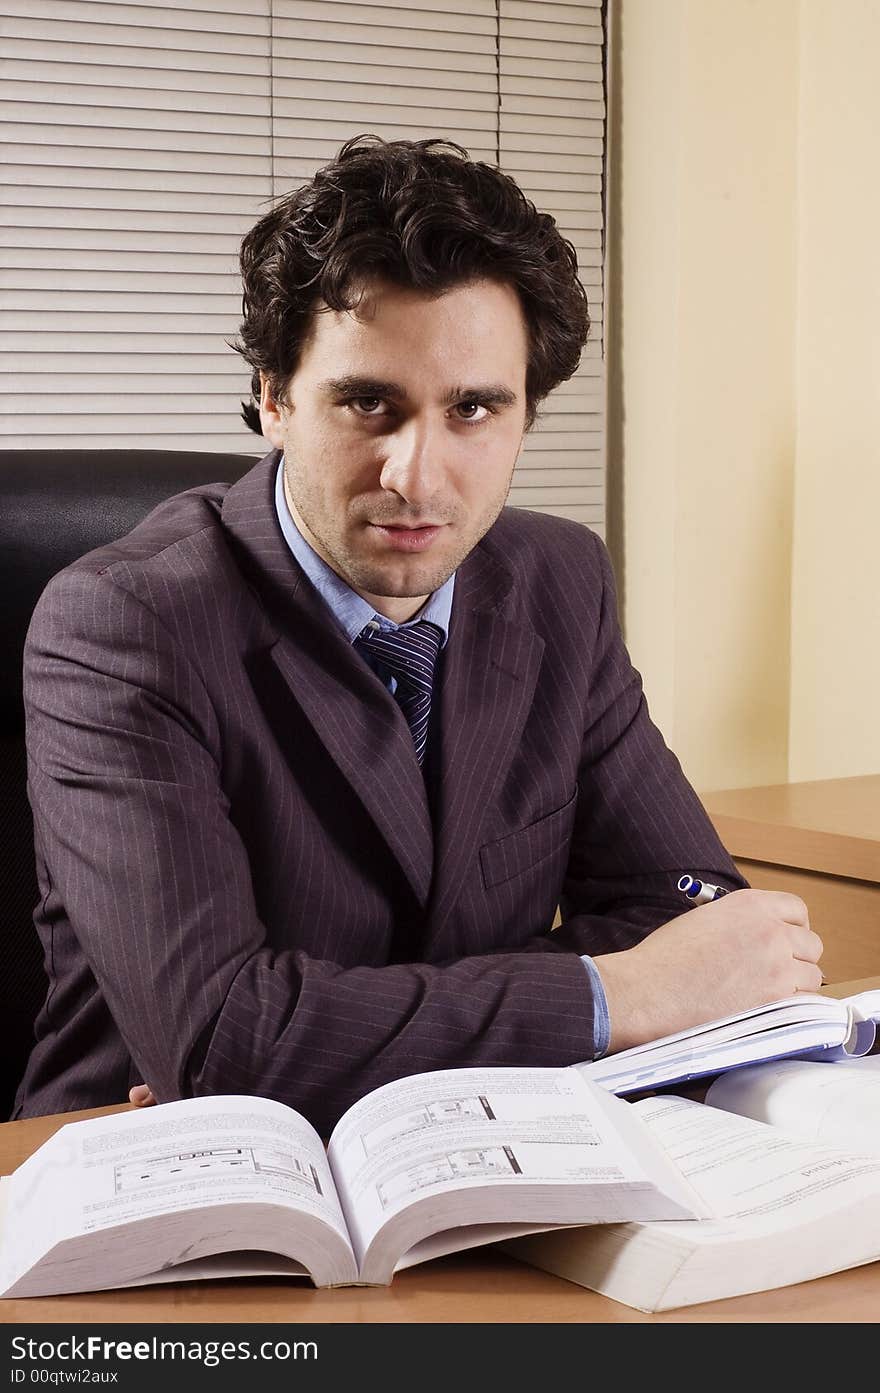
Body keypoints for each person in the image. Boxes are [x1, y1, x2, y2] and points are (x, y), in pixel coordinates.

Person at [15, 137, 822, 1131]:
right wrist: (616, 995)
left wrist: (318, 1036)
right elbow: (222, 1041)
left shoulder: (558, 581)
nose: (416, 475)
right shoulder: (124, 625)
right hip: (159, 1175)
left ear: (526, 416)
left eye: (474, 407)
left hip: (475, 1148)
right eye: (367, 403)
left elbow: (689, 915)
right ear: (272, 396)